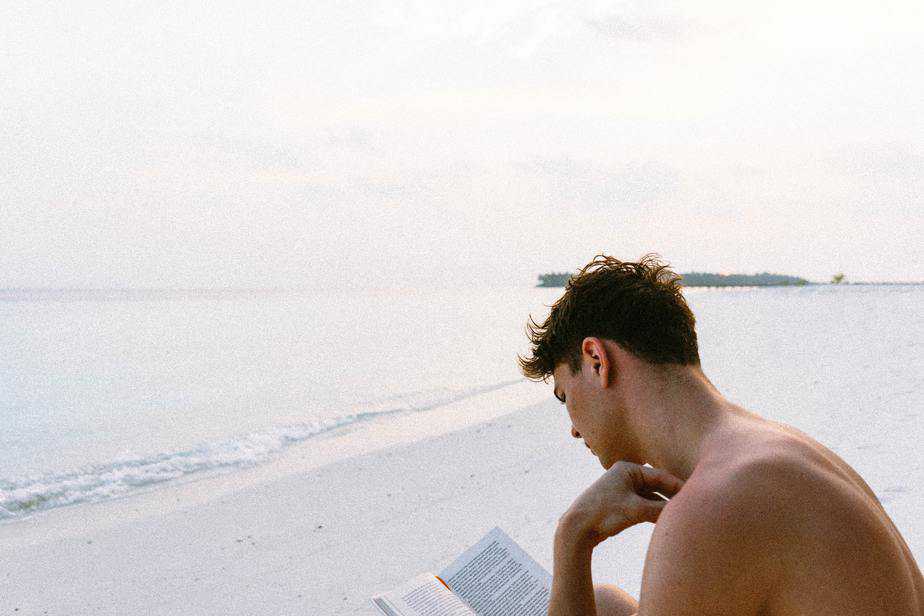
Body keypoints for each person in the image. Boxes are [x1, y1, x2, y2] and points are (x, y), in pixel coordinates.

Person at [518, 254, 922, 616]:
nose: (572, 427)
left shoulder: (713, 506)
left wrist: (572, 536)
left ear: (595, 360)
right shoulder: (771, 451)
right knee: (606, 605)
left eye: (563, 395)